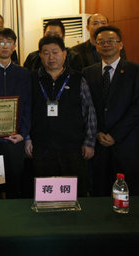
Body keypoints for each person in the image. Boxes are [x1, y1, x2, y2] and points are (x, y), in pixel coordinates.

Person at [83, 26, 139, 196]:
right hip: (98, 145)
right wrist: (97, 132)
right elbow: (86, 107)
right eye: (101, 42)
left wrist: (115, 135)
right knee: (100, 192)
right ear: (96, 46)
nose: (106, 45)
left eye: (111, 41)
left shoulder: (136, 70)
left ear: (120, 45)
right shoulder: (88, 73)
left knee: (130, 193)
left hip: (127, 144)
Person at [27, 36, 96, 196]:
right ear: (40, 55)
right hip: (41, 147)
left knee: (73, 193)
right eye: (46, 53)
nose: (51, 57)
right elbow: (25, 111)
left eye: (55, 52)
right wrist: (27, 138)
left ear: (64, 54)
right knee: (44, 192)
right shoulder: (32, 78)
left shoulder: (78, 78)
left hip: (72, 147)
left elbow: (89, 112)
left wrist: (90, 142)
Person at [0, 28, 31, 199]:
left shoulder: (24, 73)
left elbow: (27, 105)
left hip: (14, 138)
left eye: (9, 42)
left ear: (14, 46)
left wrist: (23, 133)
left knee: (14, 184)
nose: (5, 46)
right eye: (1, 42)